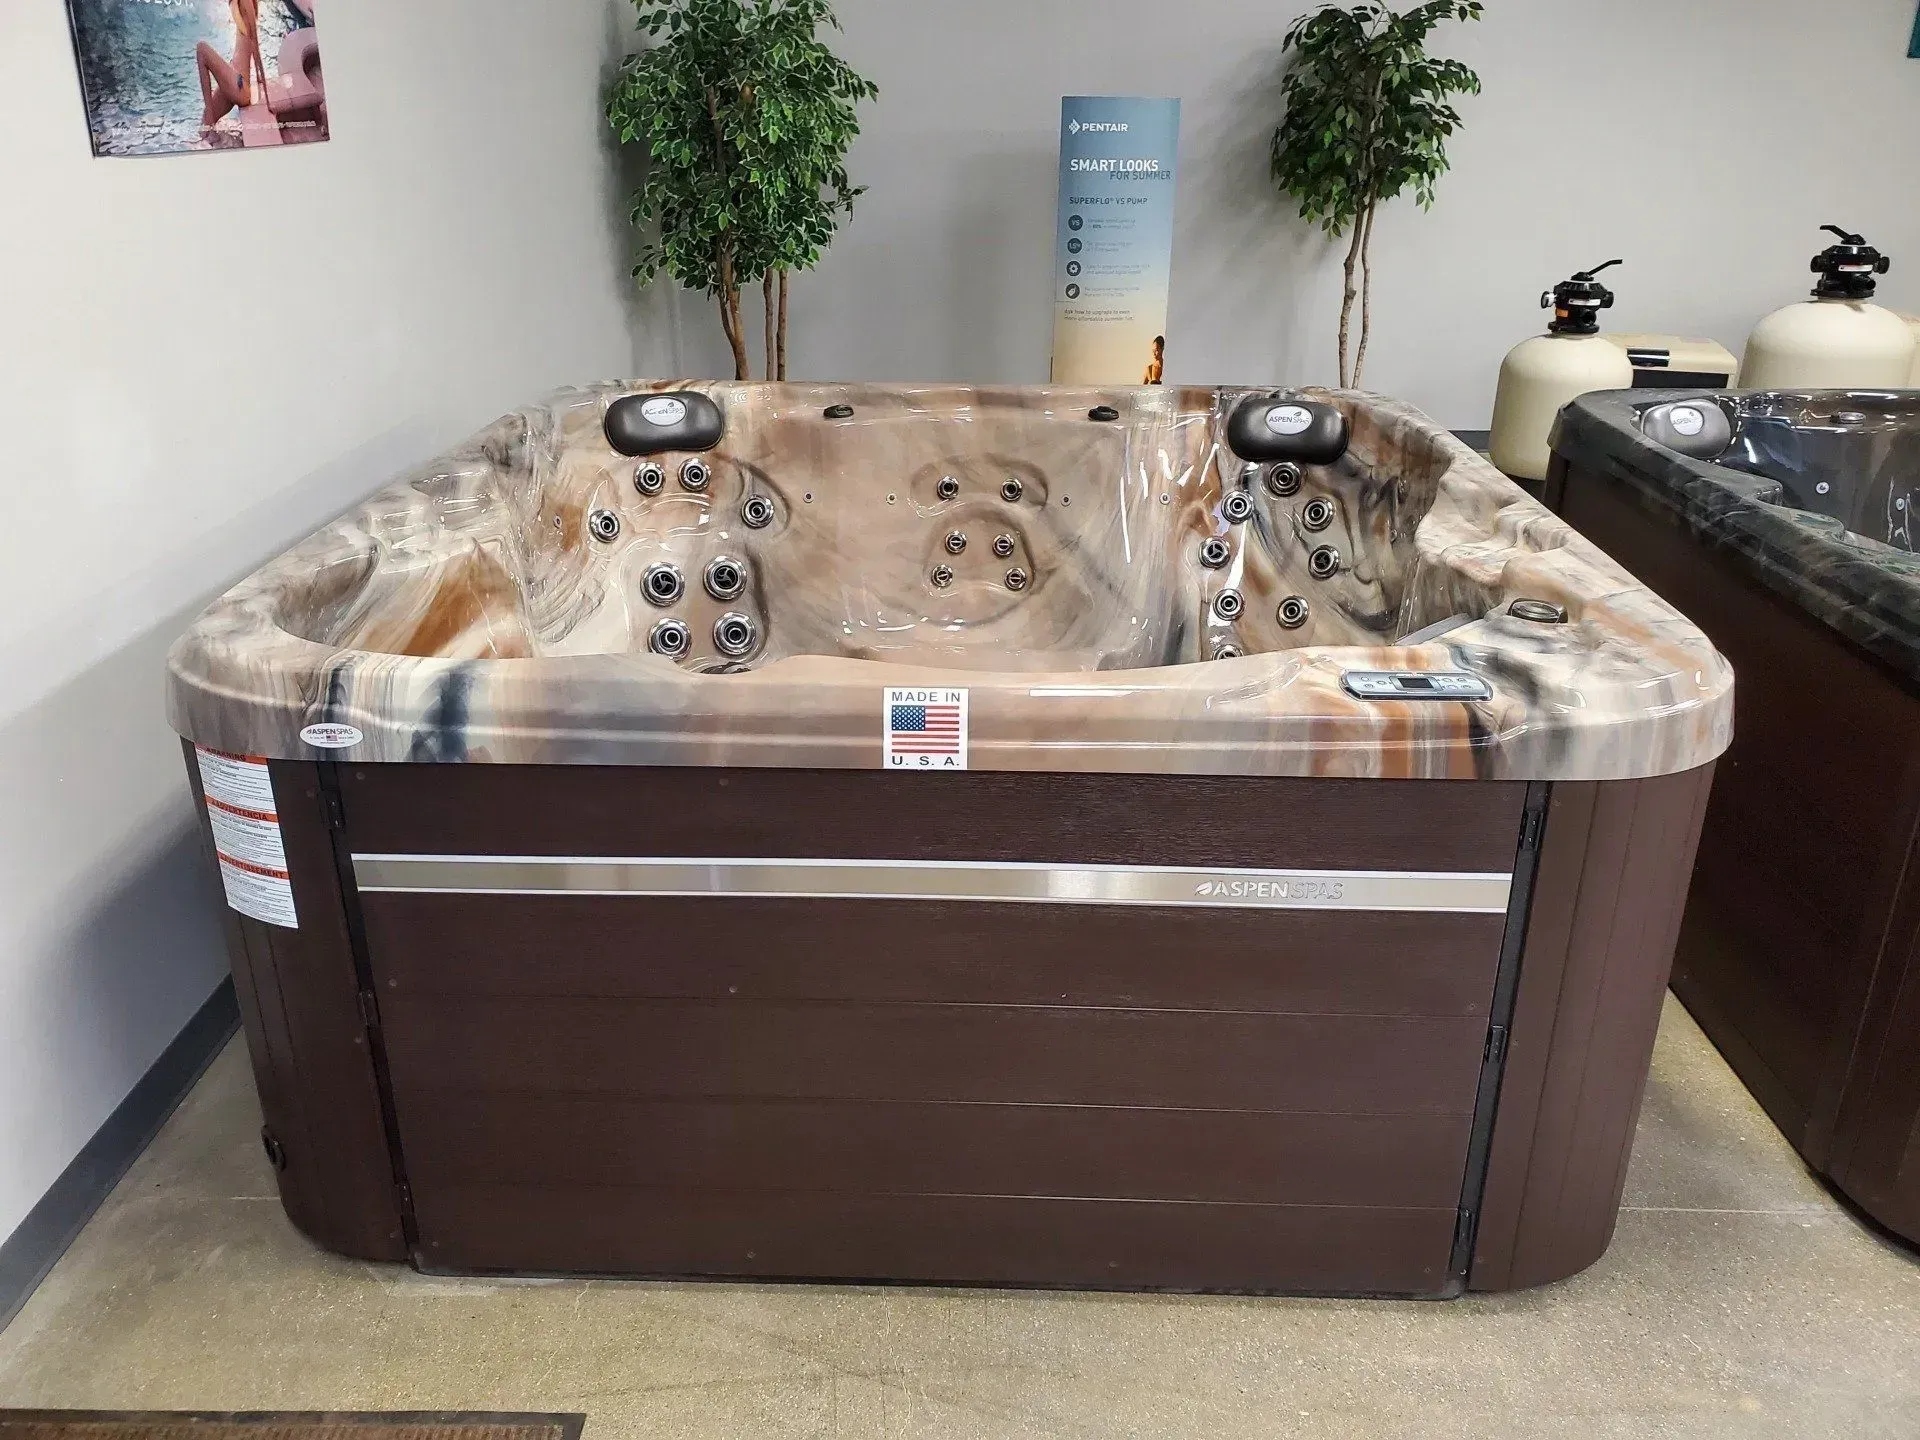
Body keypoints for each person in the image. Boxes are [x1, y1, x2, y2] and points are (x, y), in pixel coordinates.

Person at [196, 0, 264, 137]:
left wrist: (263, 87)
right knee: (204, 127)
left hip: (239, 86)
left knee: (201, 48)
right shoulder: (240, 4)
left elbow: (254, 41)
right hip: (235, 82)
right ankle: (211, 137)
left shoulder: (245, 2)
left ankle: (211, 124)